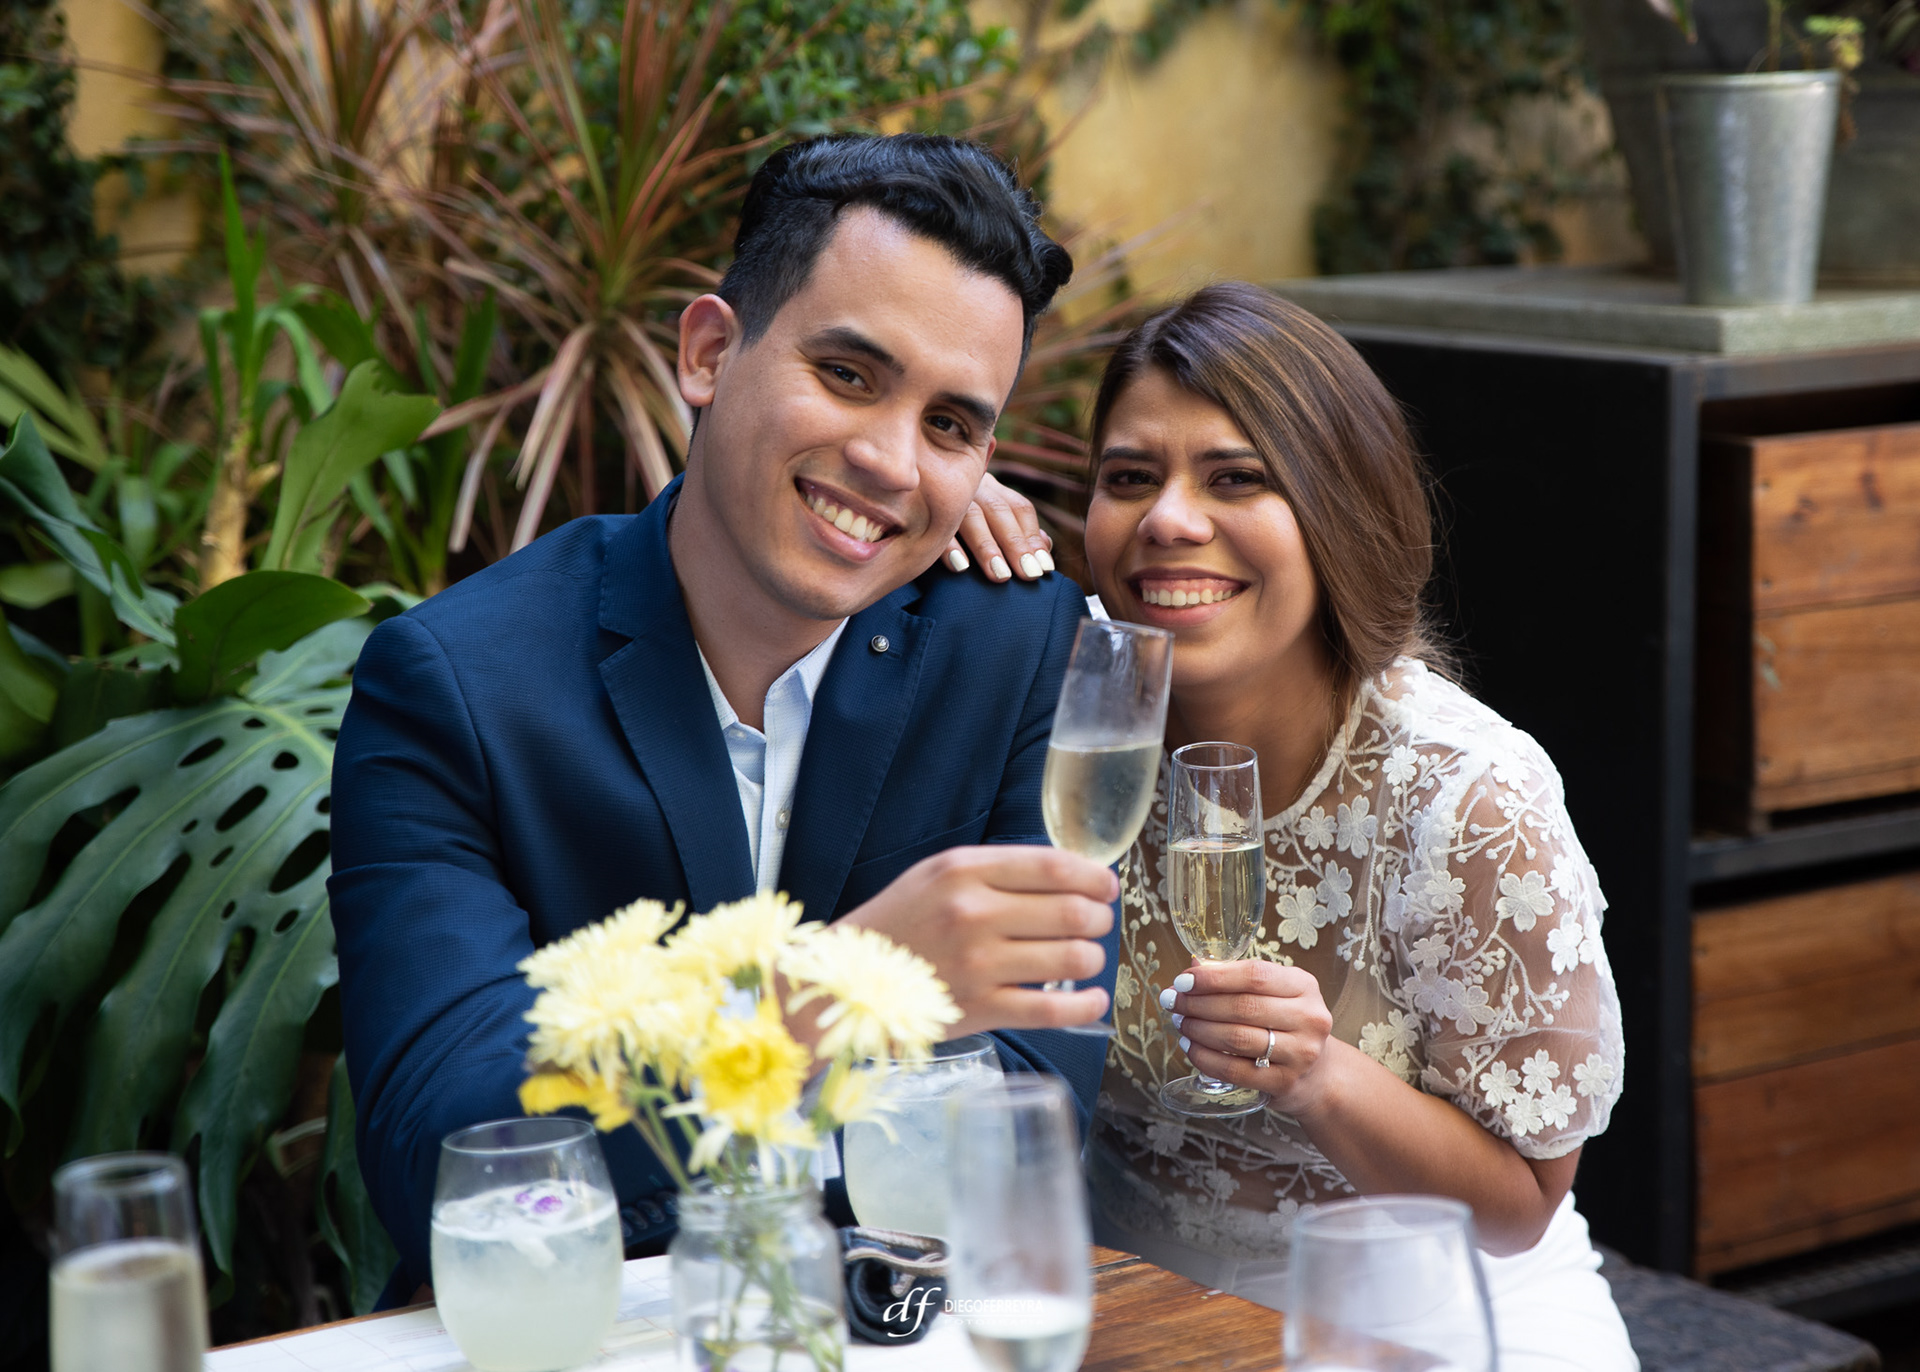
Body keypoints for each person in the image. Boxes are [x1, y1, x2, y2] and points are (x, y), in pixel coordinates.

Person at [328, 133, 1122, 1299]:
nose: (892, 462)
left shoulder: (1019, 646)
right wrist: (837, 993)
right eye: (848, 374)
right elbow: (449, 1160)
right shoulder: (455, 686)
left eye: (950, 426)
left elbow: (1031, 1107)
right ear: (708, 353)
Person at [1080, 283, 1635, 1371]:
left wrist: (1318, 1075)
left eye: (1236, 477)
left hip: (1424, 1310)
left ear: (1337, 507)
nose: (1168, 520)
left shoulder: (1467, 799)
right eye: (1128, 478)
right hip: (1129, 1304)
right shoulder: (1066, 727)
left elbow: (1519, 1205)